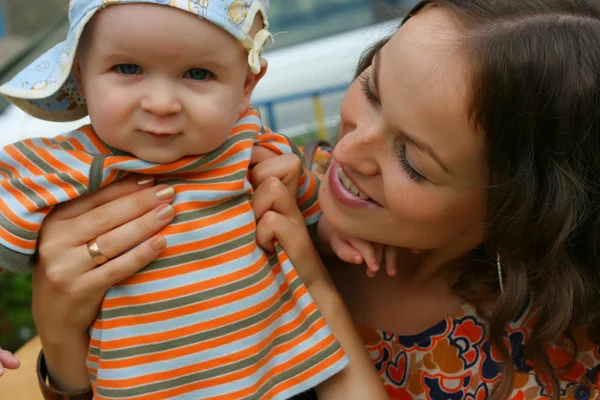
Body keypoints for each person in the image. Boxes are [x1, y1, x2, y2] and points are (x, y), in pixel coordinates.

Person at [13, 0, 600, 398]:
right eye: (370, 88)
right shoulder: (267, 182)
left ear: (522, 207)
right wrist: (63, 348)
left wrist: (314, 284)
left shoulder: (552, 357)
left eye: (413, 162)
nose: (345, 153)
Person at [0, 0, 363, 398]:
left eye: (198, 73)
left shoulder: (250, 145)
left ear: (246, 86)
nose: (161, 104)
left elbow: (311, 216)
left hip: (279, 377)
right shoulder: (61, 165)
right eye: (128, 68)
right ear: (82, 73)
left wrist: (346, 236)